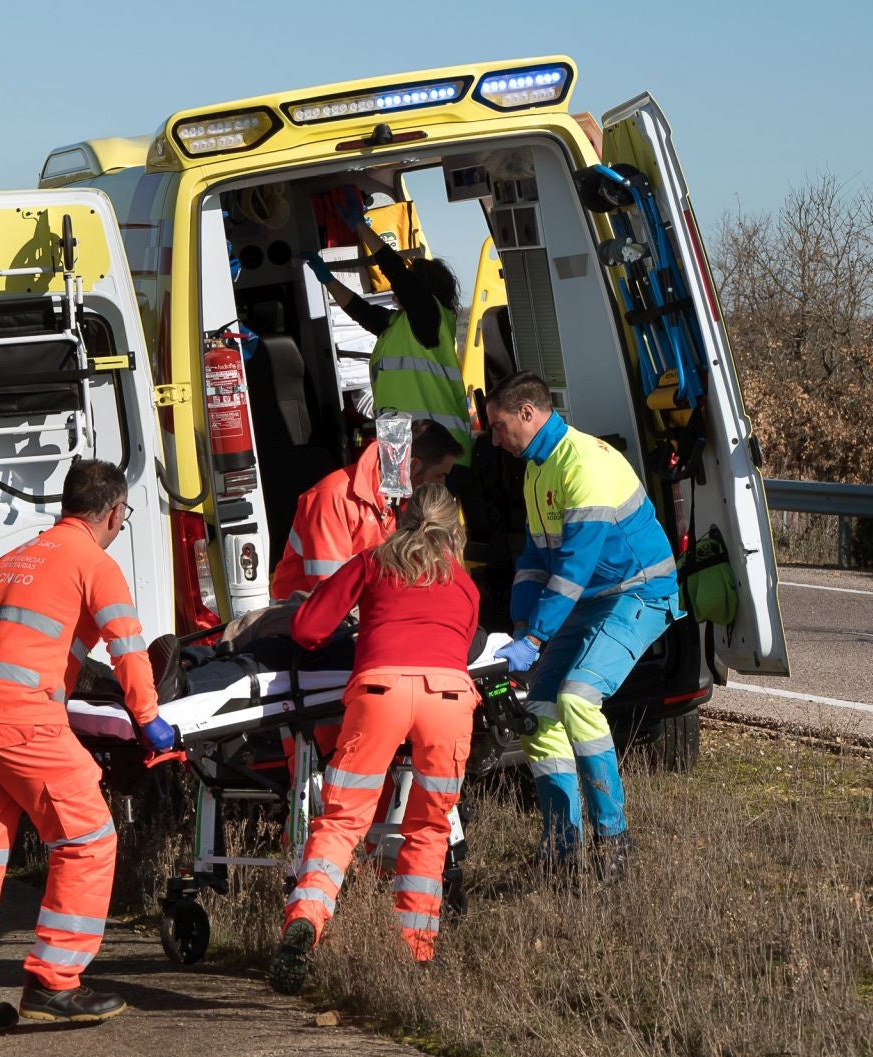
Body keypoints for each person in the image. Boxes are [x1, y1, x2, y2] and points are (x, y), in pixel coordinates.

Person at [0, 458, 175, 1045]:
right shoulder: (95, 563)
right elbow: (129, 650)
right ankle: (54, 981)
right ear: (114, 512)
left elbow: (13, 642)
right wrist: (150, 722)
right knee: (88, 839)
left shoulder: (10, 559)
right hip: (19, 719)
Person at [268, 483, 480, 993]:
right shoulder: (464, 583)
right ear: (455, 531)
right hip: (450, 699)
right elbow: (463, 643)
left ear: (400, 520)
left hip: (379, 692)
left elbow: (308, 629)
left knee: (342, 821)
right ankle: (415, 950)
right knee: (429, 827)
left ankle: (306, 920)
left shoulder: (372, 560)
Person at [484, 372, 681, 876]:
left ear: (528, 413)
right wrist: (523, 622)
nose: (495, 438)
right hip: (589, 600)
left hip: (637, 593)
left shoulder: (584, 464)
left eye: (500, 426)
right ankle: (560, 846)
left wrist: (534, 638)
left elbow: (572, 568)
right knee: (540, 712)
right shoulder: (536, 468)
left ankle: (613, 841)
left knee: (576, 700)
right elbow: (534, 559)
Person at [303, 194, 473, 463]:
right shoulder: (400, 325)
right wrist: (327, 279)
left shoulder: (431, 317)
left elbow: (396, 273)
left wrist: (361, 227)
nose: (398, 289)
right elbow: (362, 311)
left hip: (443, 456)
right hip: (404, 453)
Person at [270, 420, 464, 600]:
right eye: (439, 475)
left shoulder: (405, 499)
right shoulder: (333, 498)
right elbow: (328, 590)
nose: (442, 485)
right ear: (413, 467)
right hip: (303, 614)